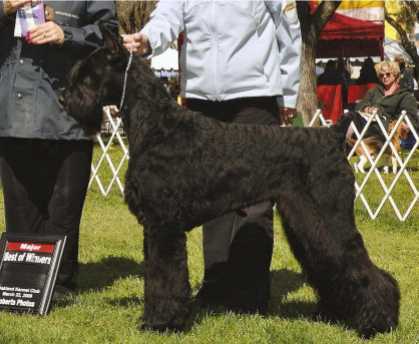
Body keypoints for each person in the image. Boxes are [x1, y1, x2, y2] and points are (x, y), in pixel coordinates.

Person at [123, 0, 301, 314]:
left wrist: (288, 91)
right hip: (202, 98)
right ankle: (216, 287)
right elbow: (167, 16)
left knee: (254, 203)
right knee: (212, 199)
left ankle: (250, 293)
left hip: (255, 96)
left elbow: (289, 29)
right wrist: (147, 38)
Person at [0, 0, 116, 297]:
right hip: (12, 111)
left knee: (63, 207)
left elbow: (110, 34)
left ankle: (59, 282)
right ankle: (22, 283)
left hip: (71, 110)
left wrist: (66, 33)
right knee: (21, 208)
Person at [350, 60, 417, 141]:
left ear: (395, 75)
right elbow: (360, 105)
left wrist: (396, 124)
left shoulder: (404, 95)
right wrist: (368, 109)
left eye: (388, 74)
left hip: (385, 128)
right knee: (347, 118)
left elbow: (409, 116)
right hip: (366, 121)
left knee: (348, 123)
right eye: (381, 75)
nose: (384, 77)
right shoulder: (374, 91)